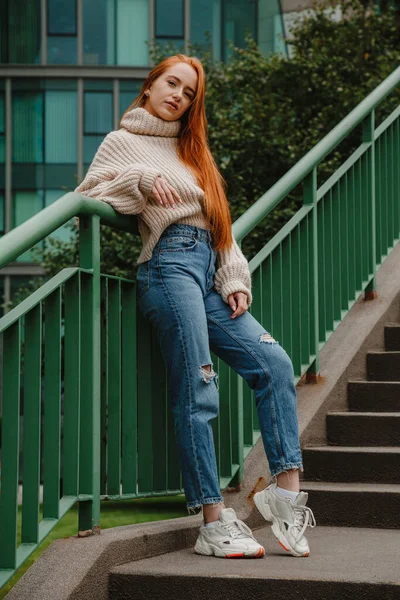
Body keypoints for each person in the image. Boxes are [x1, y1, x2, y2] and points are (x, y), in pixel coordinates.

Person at [75, 53, 316, 559]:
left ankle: (285, 494)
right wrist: (138, 184)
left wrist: (233, 275)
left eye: (188, 93)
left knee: (274, 363)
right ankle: (211, 518)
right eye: (171, 83)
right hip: (168, 268)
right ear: (149, 86)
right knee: (200, 387)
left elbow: (220, 225)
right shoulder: (123, 143)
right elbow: (89, 191)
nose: (177, 96)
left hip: (208, 272)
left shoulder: (193, 151)